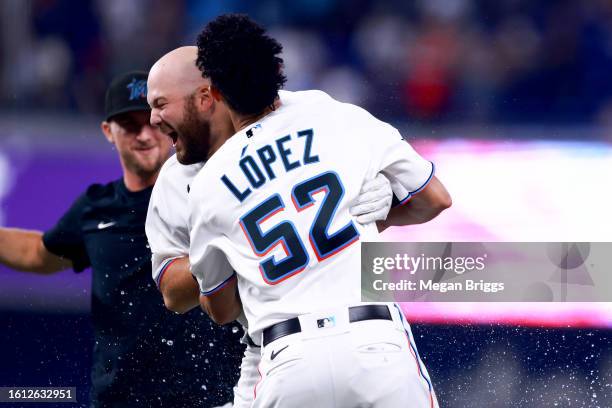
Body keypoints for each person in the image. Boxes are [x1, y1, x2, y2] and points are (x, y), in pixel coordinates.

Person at [185, 14, 452, 407]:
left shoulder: (207, 183)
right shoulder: (338, 116)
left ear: (215, 94)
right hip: (374, 342)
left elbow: (221, 309)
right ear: (279, 69)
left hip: (288, 360)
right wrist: (379, 214)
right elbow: (436, 199)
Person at [145, 46, 397, 408]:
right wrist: (225, 251)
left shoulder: (304, 114)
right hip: (268, 343)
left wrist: (386, 197)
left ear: (206, 97)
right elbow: (172, 291)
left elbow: (424, 196)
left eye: (160, 103)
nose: (152, 120)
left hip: (337, 328)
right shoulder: (175, 179)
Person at [0, 71, 244, 408]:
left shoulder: (210, 189)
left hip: (214, 396)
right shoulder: (97, 207)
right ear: (108, 132)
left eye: (151, 122)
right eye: (129, 125)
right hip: (122, 399)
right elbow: (37, 253)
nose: (144, 134)